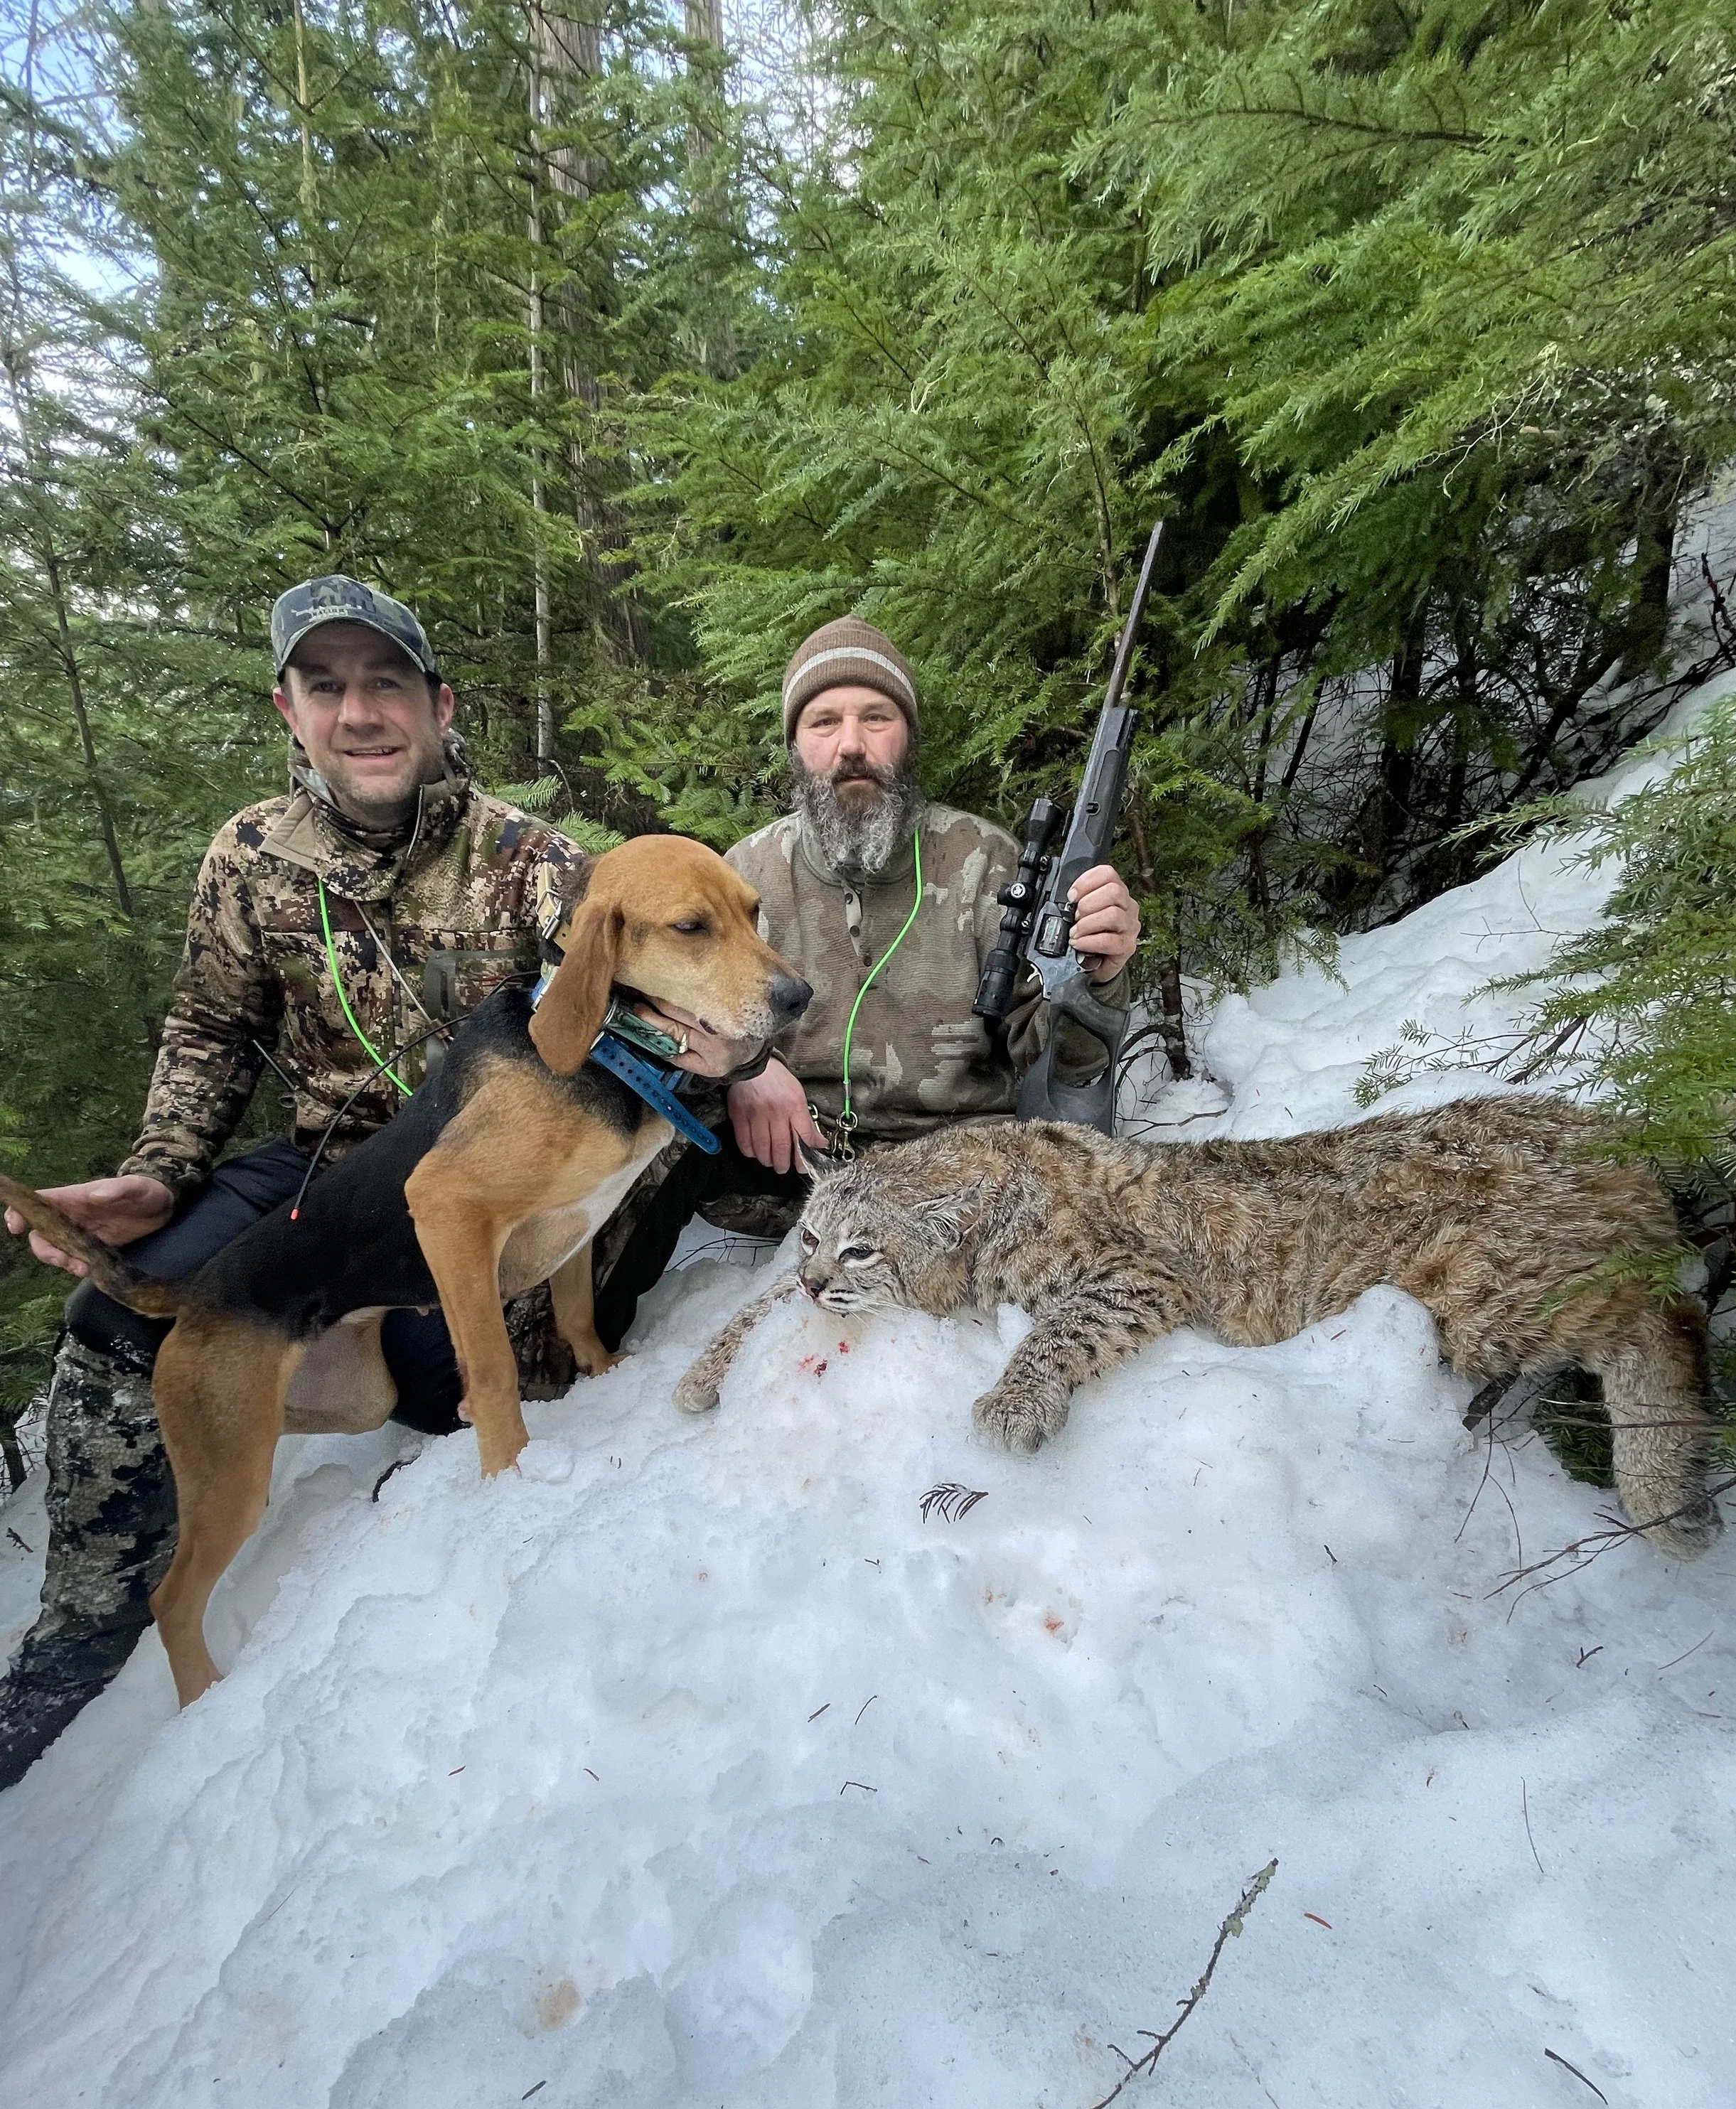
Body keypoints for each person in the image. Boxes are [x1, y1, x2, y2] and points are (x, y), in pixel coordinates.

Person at [0, 576, 586, 1788]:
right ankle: (79, 1637)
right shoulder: (251, 857)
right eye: (328, 686)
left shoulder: (533, 861)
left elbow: (629, 996)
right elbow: (211, 1031)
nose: (360, 712)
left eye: (386, 684)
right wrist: (163, 1173)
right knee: (119, 1313)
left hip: (474, 1175)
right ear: (289, 708)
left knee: (444, 1397)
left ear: (439, 704)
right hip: (320, 1155)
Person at [592, 615, 1141, 1344]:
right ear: (795, 746)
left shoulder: (984, 860)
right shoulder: (742, 874)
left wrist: (1096, 980)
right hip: (786, 1168)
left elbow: (1053, 1065)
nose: (850, 744)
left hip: (950, 1182)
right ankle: (574, 1338)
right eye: (823, 721)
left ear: (905, 738)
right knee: (640, 1119)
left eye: (875, 718)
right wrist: (745, 1070)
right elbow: (646, 1018)